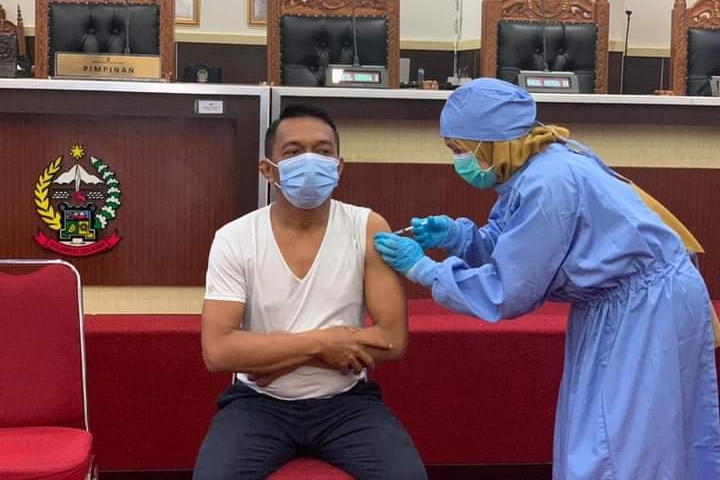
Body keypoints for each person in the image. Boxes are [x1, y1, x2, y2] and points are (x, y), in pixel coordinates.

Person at [374, 78, 720, 479]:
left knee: (622, 445)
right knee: (617, 433)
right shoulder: (537, 164)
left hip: (645, 310)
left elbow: (509, 289)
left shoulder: (548, 181)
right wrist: (460, 238)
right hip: (629, 303)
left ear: (490, 141)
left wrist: (426, 271)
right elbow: (518, 243)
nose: (458, 162)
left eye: (459, 149)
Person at [193, 104, 426, 480]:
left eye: (322, 151)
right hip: (258, 403)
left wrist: (278, 357)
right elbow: (218, 351)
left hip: (346, 403)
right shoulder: (234, 238)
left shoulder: (367, 226)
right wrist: (322, 344)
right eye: (294, 152)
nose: (310, 161)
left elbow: (392, 339)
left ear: (339, 167)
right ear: (268, 169)